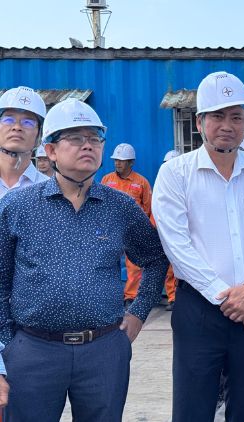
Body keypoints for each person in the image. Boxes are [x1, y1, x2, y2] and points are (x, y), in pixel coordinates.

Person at [0, 98, 169, 421]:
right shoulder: (17, 207)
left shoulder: (120, 207)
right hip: (33, 350)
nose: (87, 146)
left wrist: (138, 313)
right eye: (75, 138)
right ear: (50, 151)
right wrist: (8, 343)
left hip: (103, 350)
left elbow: (155, 258)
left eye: (94, 139)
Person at [152, 71, 244, 422]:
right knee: (193, 406)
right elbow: (176, 243)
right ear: (199, 122)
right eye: (217, 116)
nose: (228, 125)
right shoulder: (175, 174)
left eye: (236, 116)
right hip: (199, 311)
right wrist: (227, 296)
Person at [101, 143, 153, 307]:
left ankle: (130, 296)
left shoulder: (142, 182)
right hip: (111, 229)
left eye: (122, 161)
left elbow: (148, 207)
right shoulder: (107, 180)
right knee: (107, 261)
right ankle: (109, 294)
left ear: (131, 162)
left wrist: (146, 230)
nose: (117, 163)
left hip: (133, 229)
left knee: (134, 265)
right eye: (116, 160)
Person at [0, 86, 49, 199]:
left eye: (28, 122)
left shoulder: (49, 191)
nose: (17, 127)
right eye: (8, 120)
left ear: (39, 134)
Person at [156, 149, 181, 311]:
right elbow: (155, 211)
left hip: (184, 236)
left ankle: (178, 297)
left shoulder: (188, 185)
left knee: (180, 268)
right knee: (169, 270)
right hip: (165, 234)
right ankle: (172, 298)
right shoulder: (161, 185)